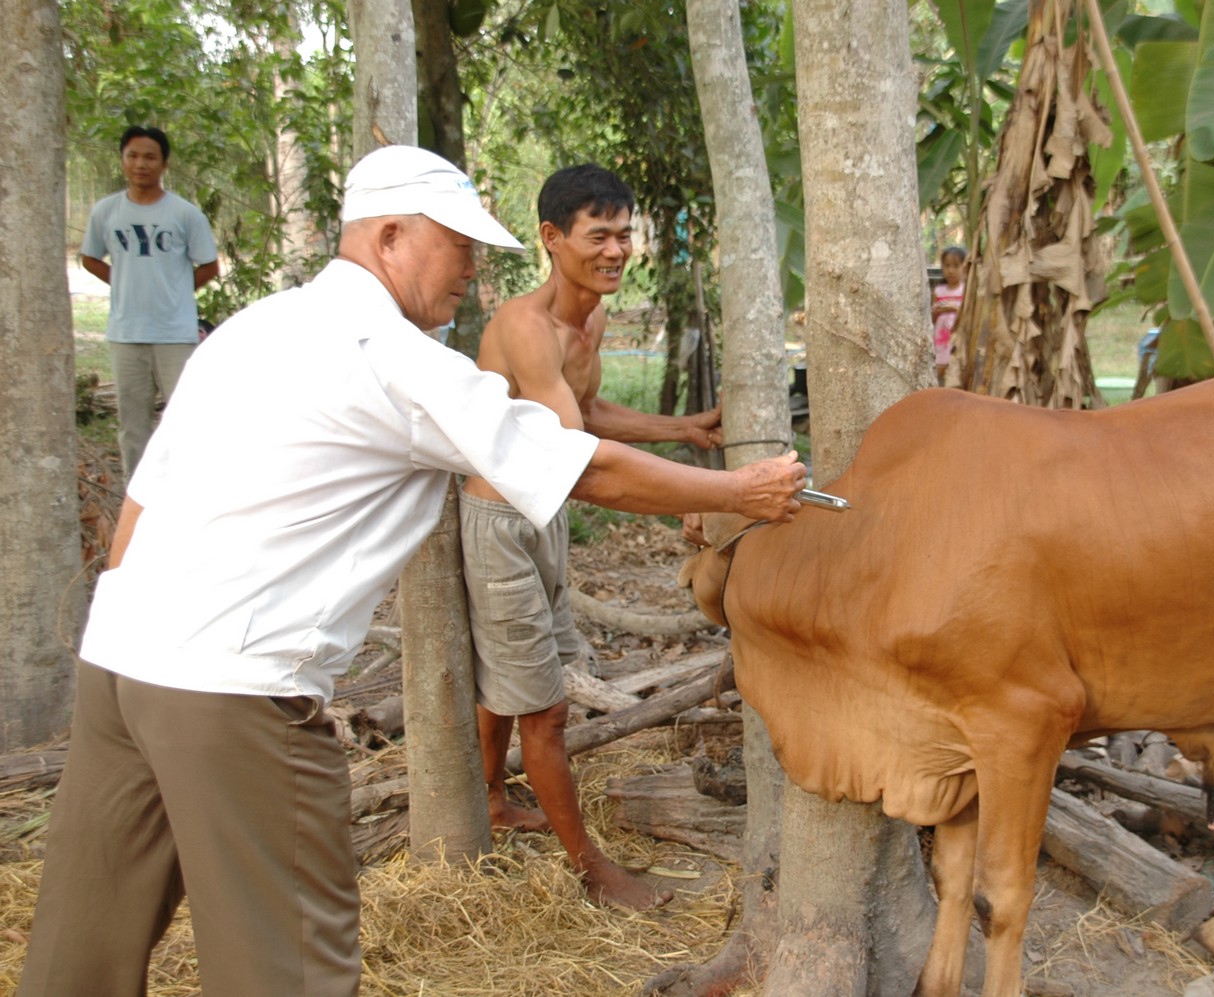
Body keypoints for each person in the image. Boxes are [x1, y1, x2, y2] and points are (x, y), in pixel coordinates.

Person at [18, 146, 805, 997]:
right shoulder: (393, 356)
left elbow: (140, 509)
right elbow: (581, 465)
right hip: (235, 690)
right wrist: (741, 489)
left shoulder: (251, 328)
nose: (473, 267)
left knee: (78, 958)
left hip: (121, 665)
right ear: (390, 236)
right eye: (458, 244)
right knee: (291, 971)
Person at [460, 164, 721, 911]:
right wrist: (692, 497)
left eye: (624, 234)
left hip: (543, 520)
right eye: (598, 235)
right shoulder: (522, 327)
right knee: (542, 707)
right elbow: (575, 457)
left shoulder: (591, 320)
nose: (616, 250)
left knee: (513, 676)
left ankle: (490, 800)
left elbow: (590, 410)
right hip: (503, 521)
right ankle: (592, 870)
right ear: (551, 238)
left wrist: (685, 432)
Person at [80, 125, 220, 482]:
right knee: (133, 423)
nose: (141, 164)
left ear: (164, 164)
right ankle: (137, 498)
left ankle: (189, 487)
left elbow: (209, 265)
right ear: (123, 161)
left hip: (175, 332)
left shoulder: (185, 214)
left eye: (150, 157)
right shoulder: (107, 211)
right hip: (126, 332)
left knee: (185, 417)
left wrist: (175, 289)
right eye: (133, 156)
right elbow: (90, 257)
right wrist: (122, 281)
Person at [930, 245, 966, 386]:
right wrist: (936, 312)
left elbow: (967, 316)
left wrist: (955, 309)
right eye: (947, 266)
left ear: (964, 267)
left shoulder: (965, 290)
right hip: (940, 340)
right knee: (937, 371)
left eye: (956, 266)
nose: (951, 270)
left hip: (957, 340)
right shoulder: (939, 291)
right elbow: (931, 320)